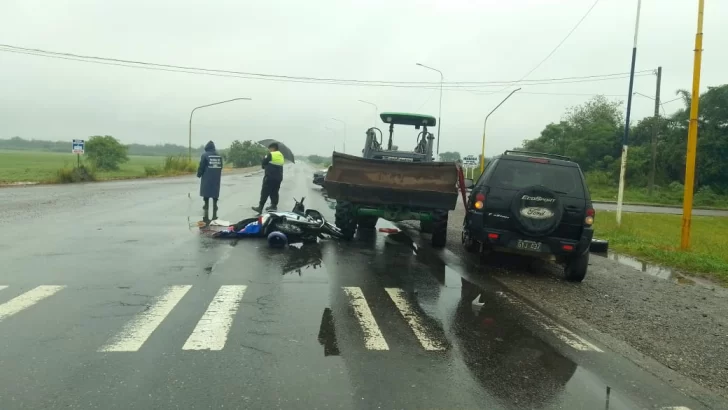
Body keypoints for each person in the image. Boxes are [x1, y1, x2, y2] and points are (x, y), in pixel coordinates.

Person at [252, 142, 284, 213]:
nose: (269, 150)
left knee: (265, 192)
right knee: (274, 192)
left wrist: (263, 158)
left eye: (269, 148)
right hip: (278, 178)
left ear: (273, 148)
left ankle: (260, 207)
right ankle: (273, 206)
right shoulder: (281, 155)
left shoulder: (271, 154)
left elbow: (263, 163)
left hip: (270, 177)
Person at [197, 140, 223, 221]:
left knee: (206, 191)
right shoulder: (219, 155)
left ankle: (206, 205)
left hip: (207, 176)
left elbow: (202, 166)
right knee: (215, 191)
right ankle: (215, 205)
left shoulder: (205, 155)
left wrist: (199, 174)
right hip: (216, 177)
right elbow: (221, 166)